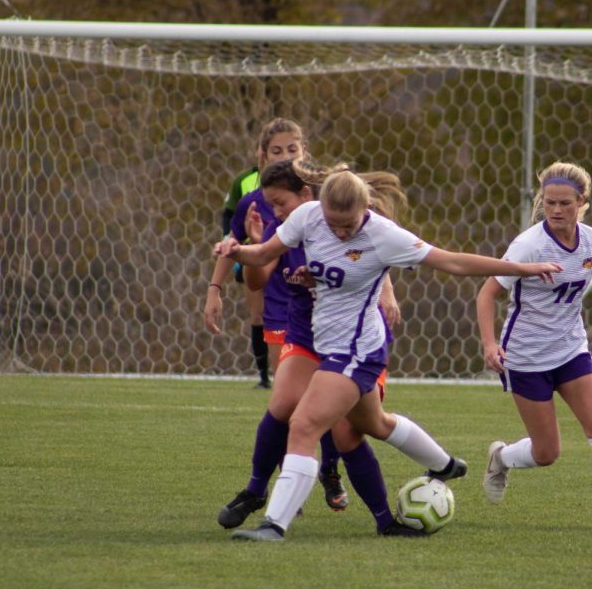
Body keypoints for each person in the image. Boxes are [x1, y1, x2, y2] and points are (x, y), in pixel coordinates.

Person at [214, 169, 562, 541]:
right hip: (324, 342)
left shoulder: (382, 235)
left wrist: (521, 269)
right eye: (334, 224)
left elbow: (453, 262)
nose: (341, 232)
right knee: (374, 424)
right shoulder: (308, 216)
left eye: (348, 225)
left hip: (358, 350)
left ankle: (274, 525)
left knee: (303, 424)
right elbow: (264, 254)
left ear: (365, 208)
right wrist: (238, 251)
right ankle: (443, 465)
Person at [217, 158, 420, 536]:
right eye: (270, 203)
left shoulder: (343, 219)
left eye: (280, 202)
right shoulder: (289, 226)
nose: (274, 211)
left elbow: (379, 256)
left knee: (352, 431)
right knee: (285, 409)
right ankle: (257, 492)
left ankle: (378, 508)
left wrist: (387, 290)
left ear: (307, 195)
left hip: (356, 343)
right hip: (307, 335)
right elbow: (255, 273)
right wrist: (244, 253)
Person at [476, 161, 592, 533]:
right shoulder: (529, 245)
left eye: (565, 203)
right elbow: (487, 293)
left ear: (582, 202)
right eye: (549, 202)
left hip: (571, 350)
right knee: (546, 453)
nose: (555, 210)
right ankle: (501, 457)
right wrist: (489, 344)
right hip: (526, 357)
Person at [205, 117, 306, 388]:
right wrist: (214, 289)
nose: (285, 156)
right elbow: (232, 243)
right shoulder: (252, 202)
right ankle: (264, 380)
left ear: (304, 151)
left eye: (292, 149)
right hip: (279, 308)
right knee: (287, 401)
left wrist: (385, 290)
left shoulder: (321, 193)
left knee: (332, 413)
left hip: (323, 310)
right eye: (277, 151)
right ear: (263, 156)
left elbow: (364, 235)